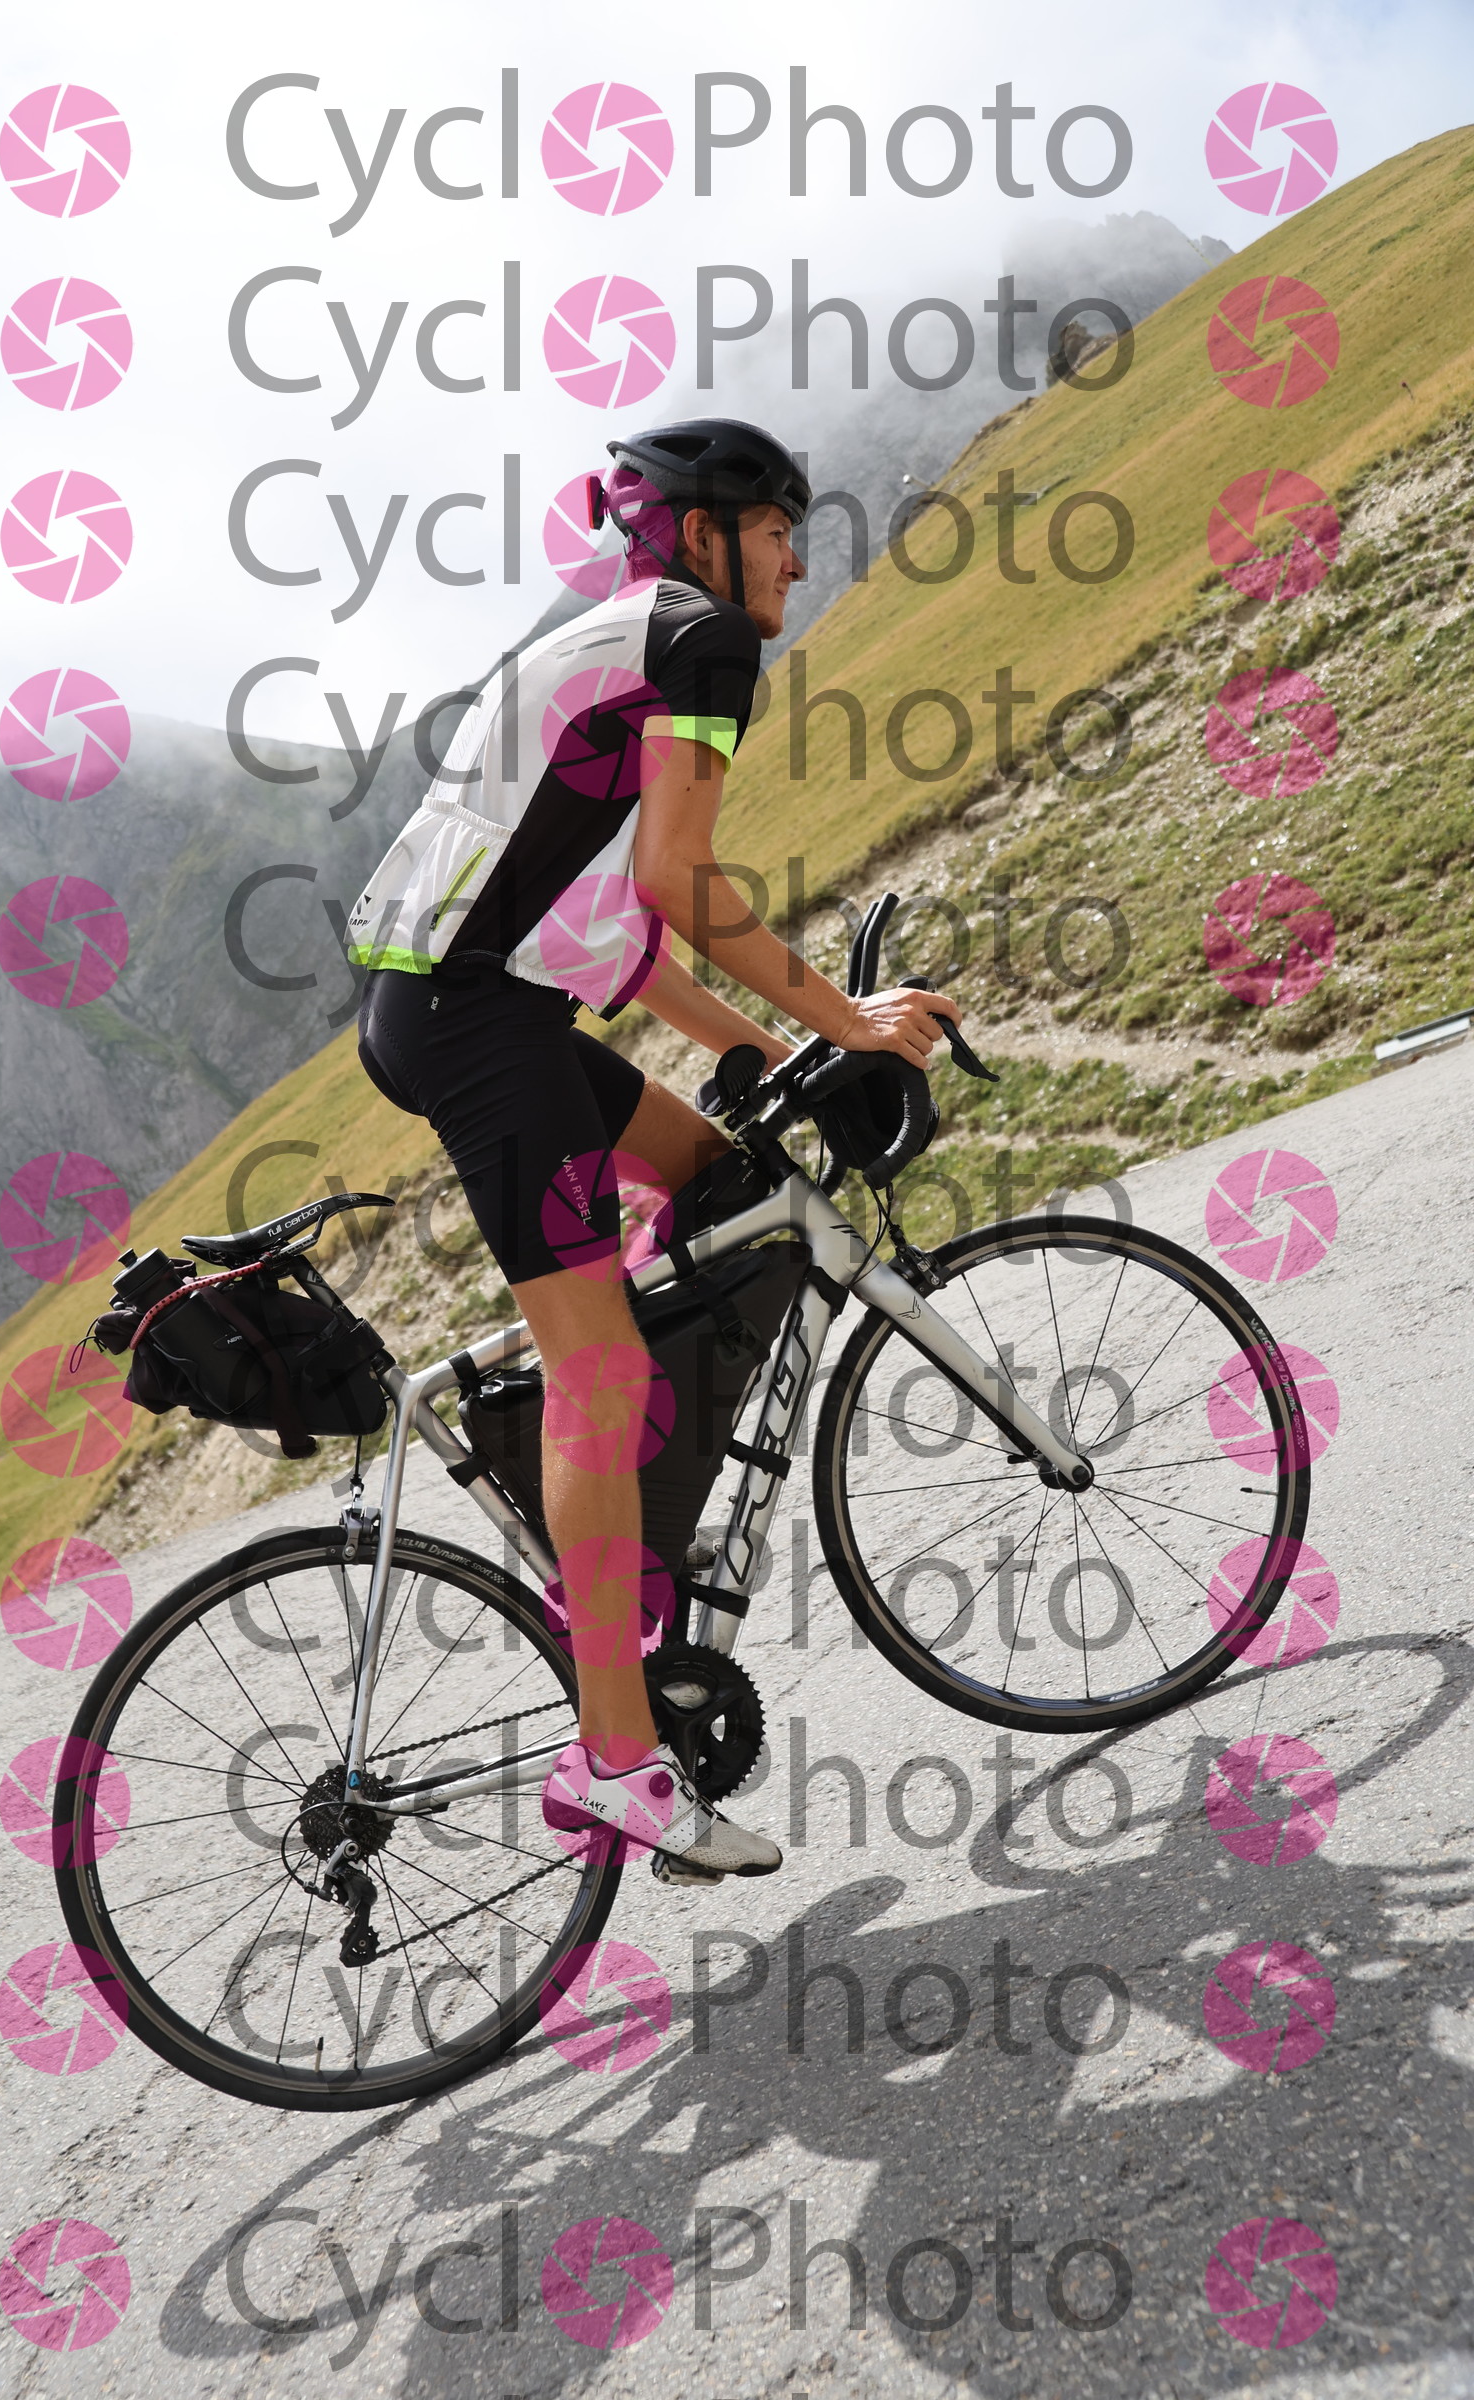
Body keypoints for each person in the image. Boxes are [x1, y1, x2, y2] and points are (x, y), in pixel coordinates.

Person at [349, 417, 958, 1885]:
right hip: (479, 1023)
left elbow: (608, 927)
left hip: (474, 1005)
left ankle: (620, 1538)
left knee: (716, 1179)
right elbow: (680, 878)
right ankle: (614, 1757)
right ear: (702, 533)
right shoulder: (701, 641)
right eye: (780, 529)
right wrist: (848, 1023)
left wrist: (759, 1051)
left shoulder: (620, 638)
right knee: (601, 1369)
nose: (799, 559)